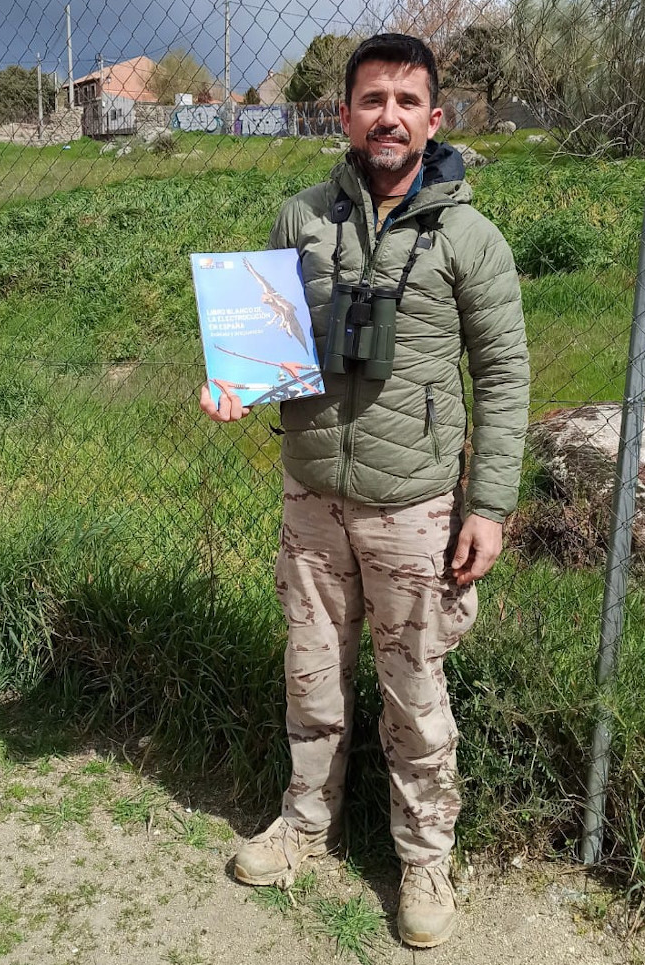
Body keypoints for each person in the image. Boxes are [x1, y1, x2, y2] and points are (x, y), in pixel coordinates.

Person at [200, 33, 529, 949]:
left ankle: (425, 855)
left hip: (415, 506)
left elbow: (503, 374)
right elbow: (264, 343)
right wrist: (234, 385)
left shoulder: (471, 237)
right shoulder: (301, 217)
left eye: (406, 100)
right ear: (341, 114)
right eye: (371, 98)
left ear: (434, 117)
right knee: (312, 677)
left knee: (415, 693)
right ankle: (305, 825)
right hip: (311, 495)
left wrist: (490, 507)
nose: (388, 115)